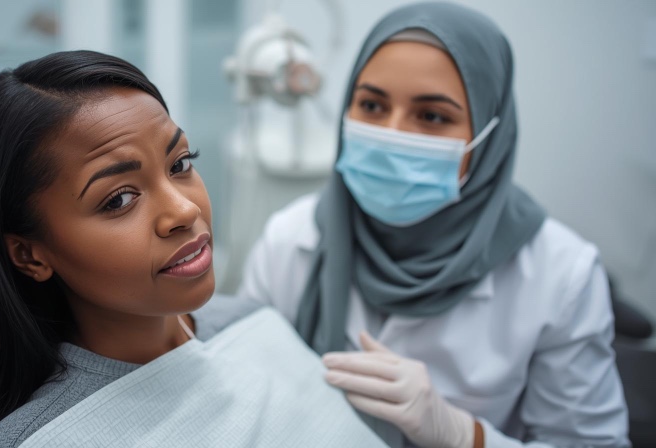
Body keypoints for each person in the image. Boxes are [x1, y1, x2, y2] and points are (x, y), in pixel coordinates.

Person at [0, 50, 387, 448]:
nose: (185, 210)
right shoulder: (44, 435)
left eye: (180, 164)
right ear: (29, 255)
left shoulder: (255, 324)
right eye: (118, 199)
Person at [237, 2, 630, 447]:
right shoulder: (289, 240)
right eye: (371, 104)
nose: (393, 134)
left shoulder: (561, 275)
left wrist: (464, 435)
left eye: (432, 116)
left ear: (489, 136)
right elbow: (248, 395)